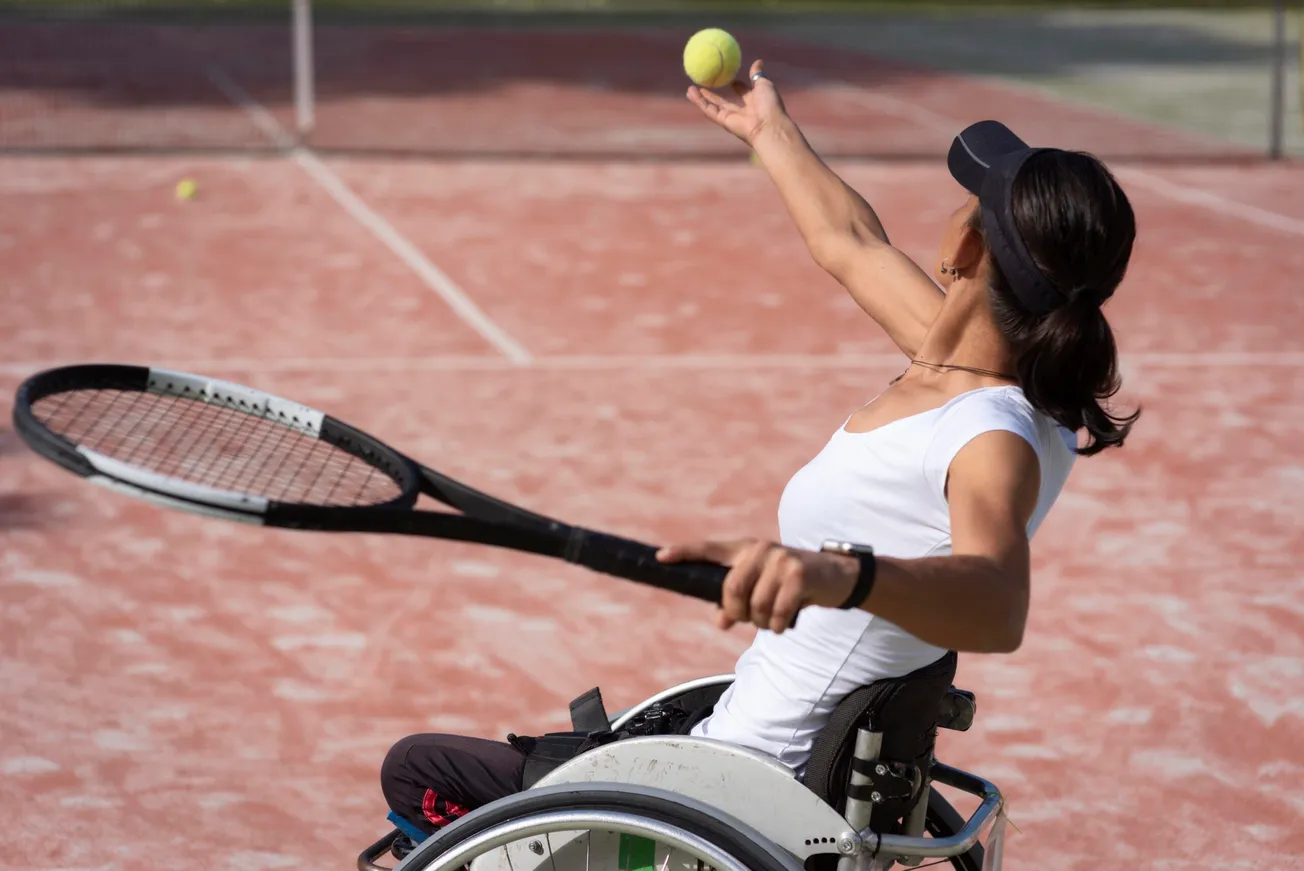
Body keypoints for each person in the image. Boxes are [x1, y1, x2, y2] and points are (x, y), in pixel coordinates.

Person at [379, 59, 1139, 845]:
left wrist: (839, 572)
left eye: (970, 198)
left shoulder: (985, 435)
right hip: (754, 754)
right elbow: (848, 241)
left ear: (968, 243)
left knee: (415, 770)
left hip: (744, 786)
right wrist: (769, 130)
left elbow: (997, 602)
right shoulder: (979, 376)